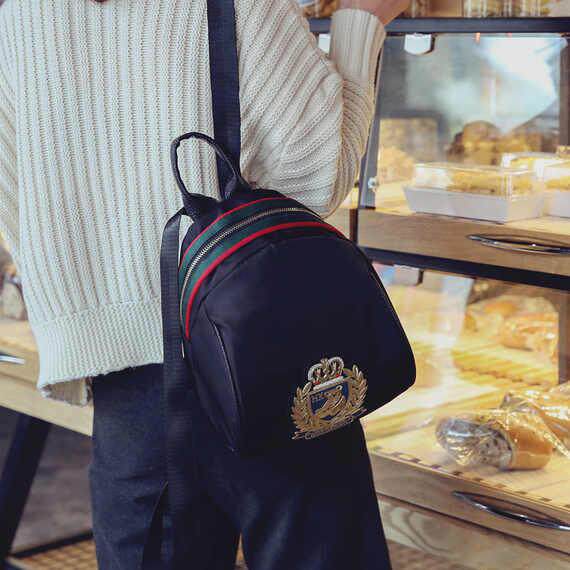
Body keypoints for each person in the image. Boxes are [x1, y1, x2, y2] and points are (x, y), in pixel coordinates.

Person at [0, 0, 409, 567]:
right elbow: (317, 175)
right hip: (262, 347)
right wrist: (364, 20)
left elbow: (14, 191)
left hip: (128, 392)